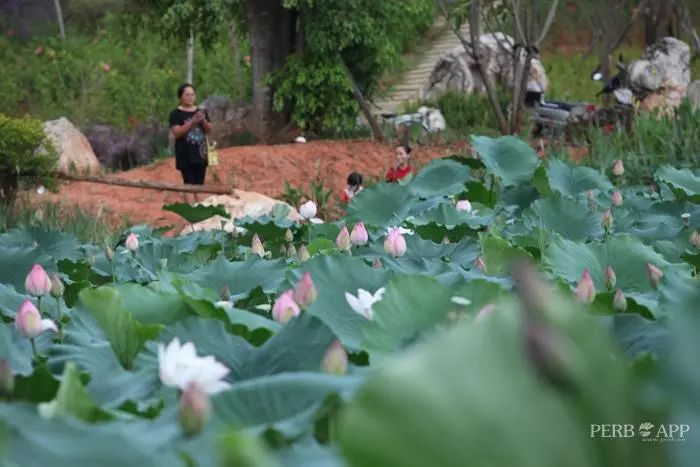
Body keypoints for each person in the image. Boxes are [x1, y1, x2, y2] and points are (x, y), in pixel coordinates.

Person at [169, 83, 212, 186]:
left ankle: (198, 202)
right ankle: (190, 202)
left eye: (192, 94)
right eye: (187, 95)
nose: (190, 97)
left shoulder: (201, 111)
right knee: (188, 184)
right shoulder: (175, 114)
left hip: (201, 153)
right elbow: (177, 133)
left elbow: (209, 130)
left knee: (200, 184)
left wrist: (203, 120)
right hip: (185, 154)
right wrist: (192, 121)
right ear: (180, 97)